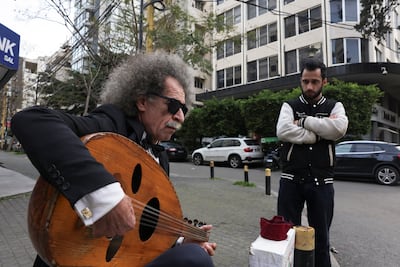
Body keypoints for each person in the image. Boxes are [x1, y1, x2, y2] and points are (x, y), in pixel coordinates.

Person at [11, 52, 217, 267]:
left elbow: (142, 224)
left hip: (122, 260)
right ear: (142, 101)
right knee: (196, 260)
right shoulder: (112, 125)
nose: (180, 117)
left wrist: (180, 241)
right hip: (75, 257)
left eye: (183, 110)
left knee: (191, 254)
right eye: (174, 106)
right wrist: (106, 198)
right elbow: (32, 120)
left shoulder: (161, 158)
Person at [276, 57, 348, 267]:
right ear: (300, 80)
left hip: (322, 182)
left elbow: (338, 129)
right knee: (287, 237)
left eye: (314, 81)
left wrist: (306, 122)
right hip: (291, 180)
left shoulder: (335, 106)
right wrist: (317, 135)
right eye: (305, 81)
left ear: (324, 81)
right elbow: (283, 130)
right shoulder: (289, 106)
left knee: (321, 240)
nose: (309, 86)